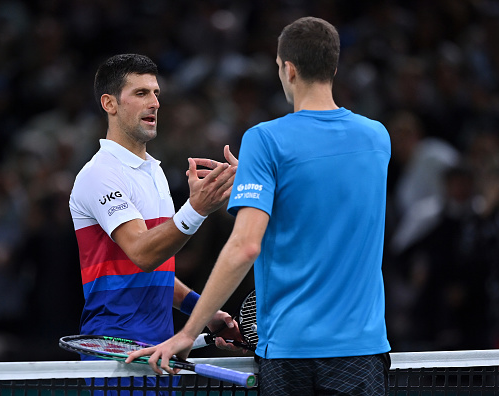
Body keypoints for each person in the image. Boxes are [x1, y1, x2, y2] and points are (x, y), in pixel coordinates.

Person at [127, 17, 392, 396]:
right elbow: (327, 194)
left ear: (287, 68)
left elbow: (245, 246)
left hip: (290, 356)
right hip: (361, 355)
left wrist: (187, 333)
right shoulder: (377, 138)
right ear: (333, 67)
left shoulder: (265, 140)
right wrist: (264, 180)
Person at [68, 54, 241, 391]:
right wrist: (196, 209)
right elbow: (143, 253)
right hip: (114, 359)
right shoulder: (99, 174)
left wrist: (203, 312)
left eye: (156, 93)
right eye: (141, 93)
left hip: (160, 356)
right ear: (110, 103)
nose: (154, 103)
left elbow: (154, 272)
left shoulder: (155, 172)